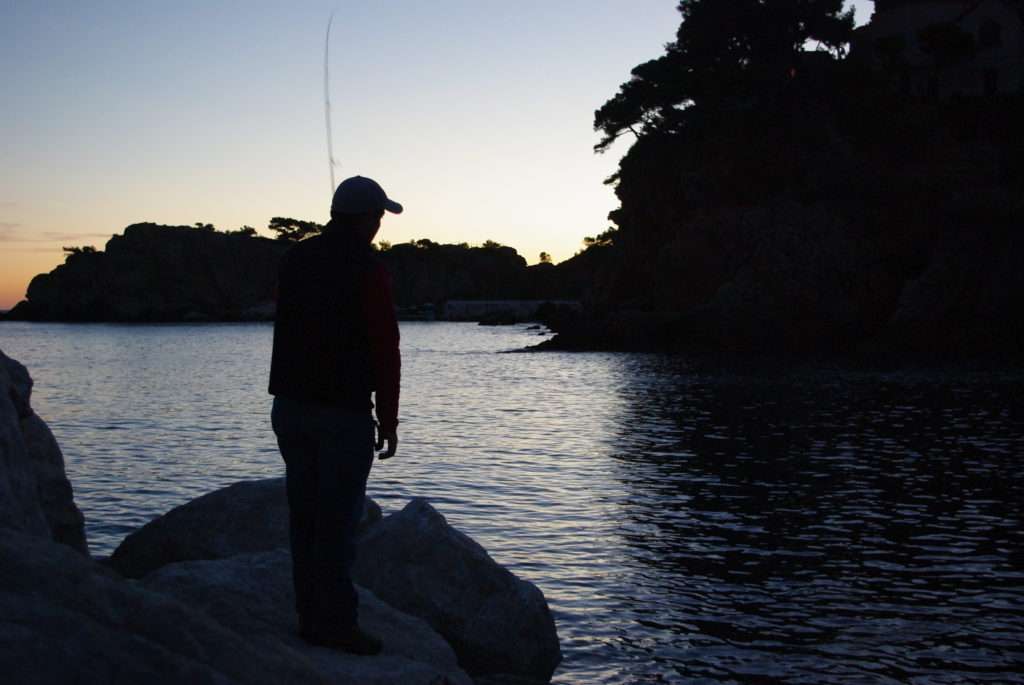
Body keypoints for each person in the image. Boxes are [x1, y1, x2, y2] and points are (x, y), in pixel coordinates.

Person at [268, 175, 402, 655]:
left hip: (290, 407)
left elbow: (286, 318)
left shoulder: (294, 258)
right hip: (342, 414)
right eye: (379, 217)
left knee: (304, 519)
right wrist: (387, 418)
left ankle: (310, 618)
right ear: (366, 219)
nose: (380, 225)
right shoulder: (368, 267)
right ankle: (338, 625)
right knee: (338, 525)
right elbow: (386, 345)